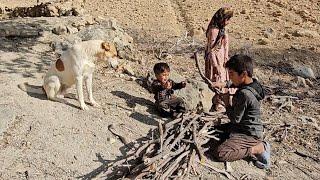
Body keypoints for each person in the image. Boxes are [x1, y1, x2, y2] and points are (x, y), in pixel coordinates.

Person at [211, 54, 271, 169]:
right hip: (243, 127)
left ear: (243, 74)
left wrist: (227, 102)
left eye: (231, 74)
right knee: (213, 132)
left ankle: (258, 148)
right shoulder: (253, 83)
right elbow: (237, 84)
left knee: (220, 153)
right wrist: (224, 84)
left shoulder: (244, 94)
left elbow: (235, 119)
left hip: (249, 133)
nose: (230, 77)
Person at [205, 7, 234, 112]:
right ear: (222, 18)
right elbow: (211, 50)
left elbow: (225, 46)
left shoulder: (222, 29)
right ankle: (218, 103)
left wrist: (226, 58)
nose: (229, 22)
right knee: (217, 79)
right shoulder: (213, 30)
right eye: (228, 19)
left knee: (224, 79)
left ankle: (225, 101)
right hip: (215, 59)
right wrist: (215, 65)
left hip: (222, 59)